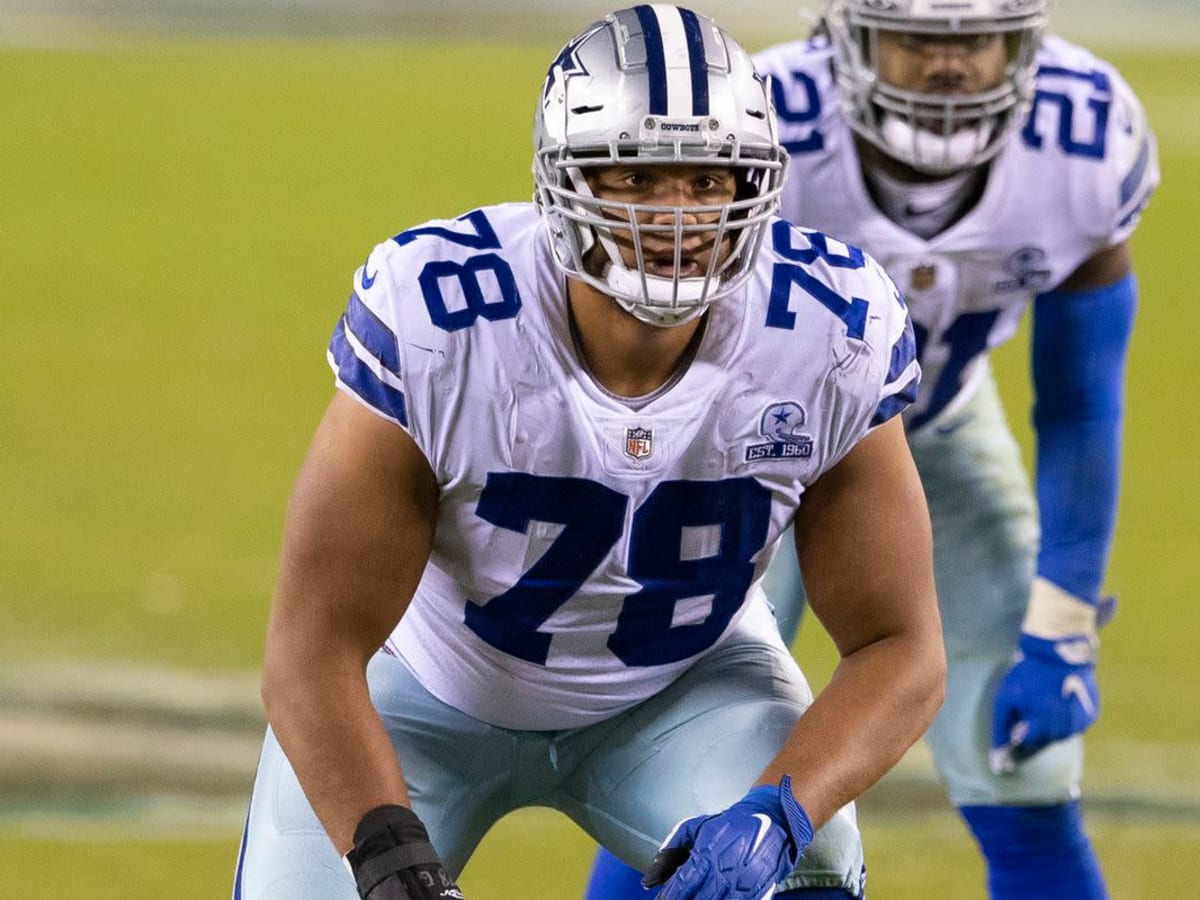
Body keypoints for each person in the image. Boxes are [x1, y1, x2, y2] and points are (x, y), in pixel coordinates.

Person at [231, 5, 945, 899]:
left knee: (806, 874)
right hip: (426, 691)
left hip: (685, 689)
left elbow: (900, 645)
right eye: (636, 175)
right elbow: (311, 648)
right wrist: (384, 853)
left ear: (752, 186)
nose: (675, 215)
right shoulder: (440, 318)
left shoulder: (826, 330)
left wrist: (780, 811)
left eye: (707, 178)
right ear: (563, 179)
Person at [585, 0, 1159, 897]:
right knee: (679, 751)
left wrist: (1065, 626)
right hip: (745, 444)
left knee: (1024, 769)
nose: (949, 68)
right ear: (846, 37)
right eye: (921, 38)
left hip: (939, 426)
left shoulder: (1081, 140)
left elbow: (1082, 402)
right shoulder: (758, 119)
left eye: (975, 43)